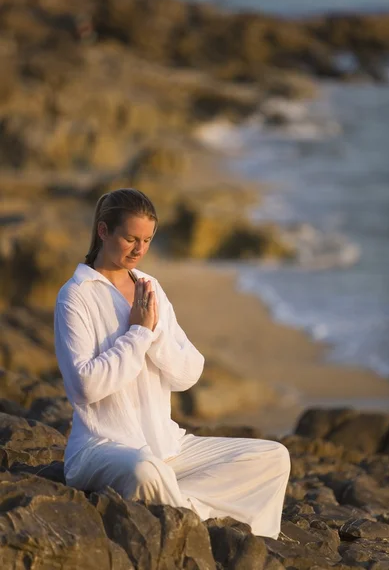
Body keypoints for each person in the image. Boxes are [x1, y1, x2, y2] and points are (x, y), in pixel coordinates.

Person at [54, 188, 290, 539]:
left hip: (168, 446)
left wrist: (154, 334)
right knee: (145, 472)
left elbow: (188, 373)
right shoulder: (75, 295)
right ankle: (201, 520)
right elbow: (84, 387)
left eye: (147, 240)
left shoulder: (151, 288)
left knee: (273, 457)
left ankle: (187, 510)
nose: (139, 250)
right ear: (103, 231)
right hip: (102, 449)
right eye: (131, 238)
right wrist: (137, 333)